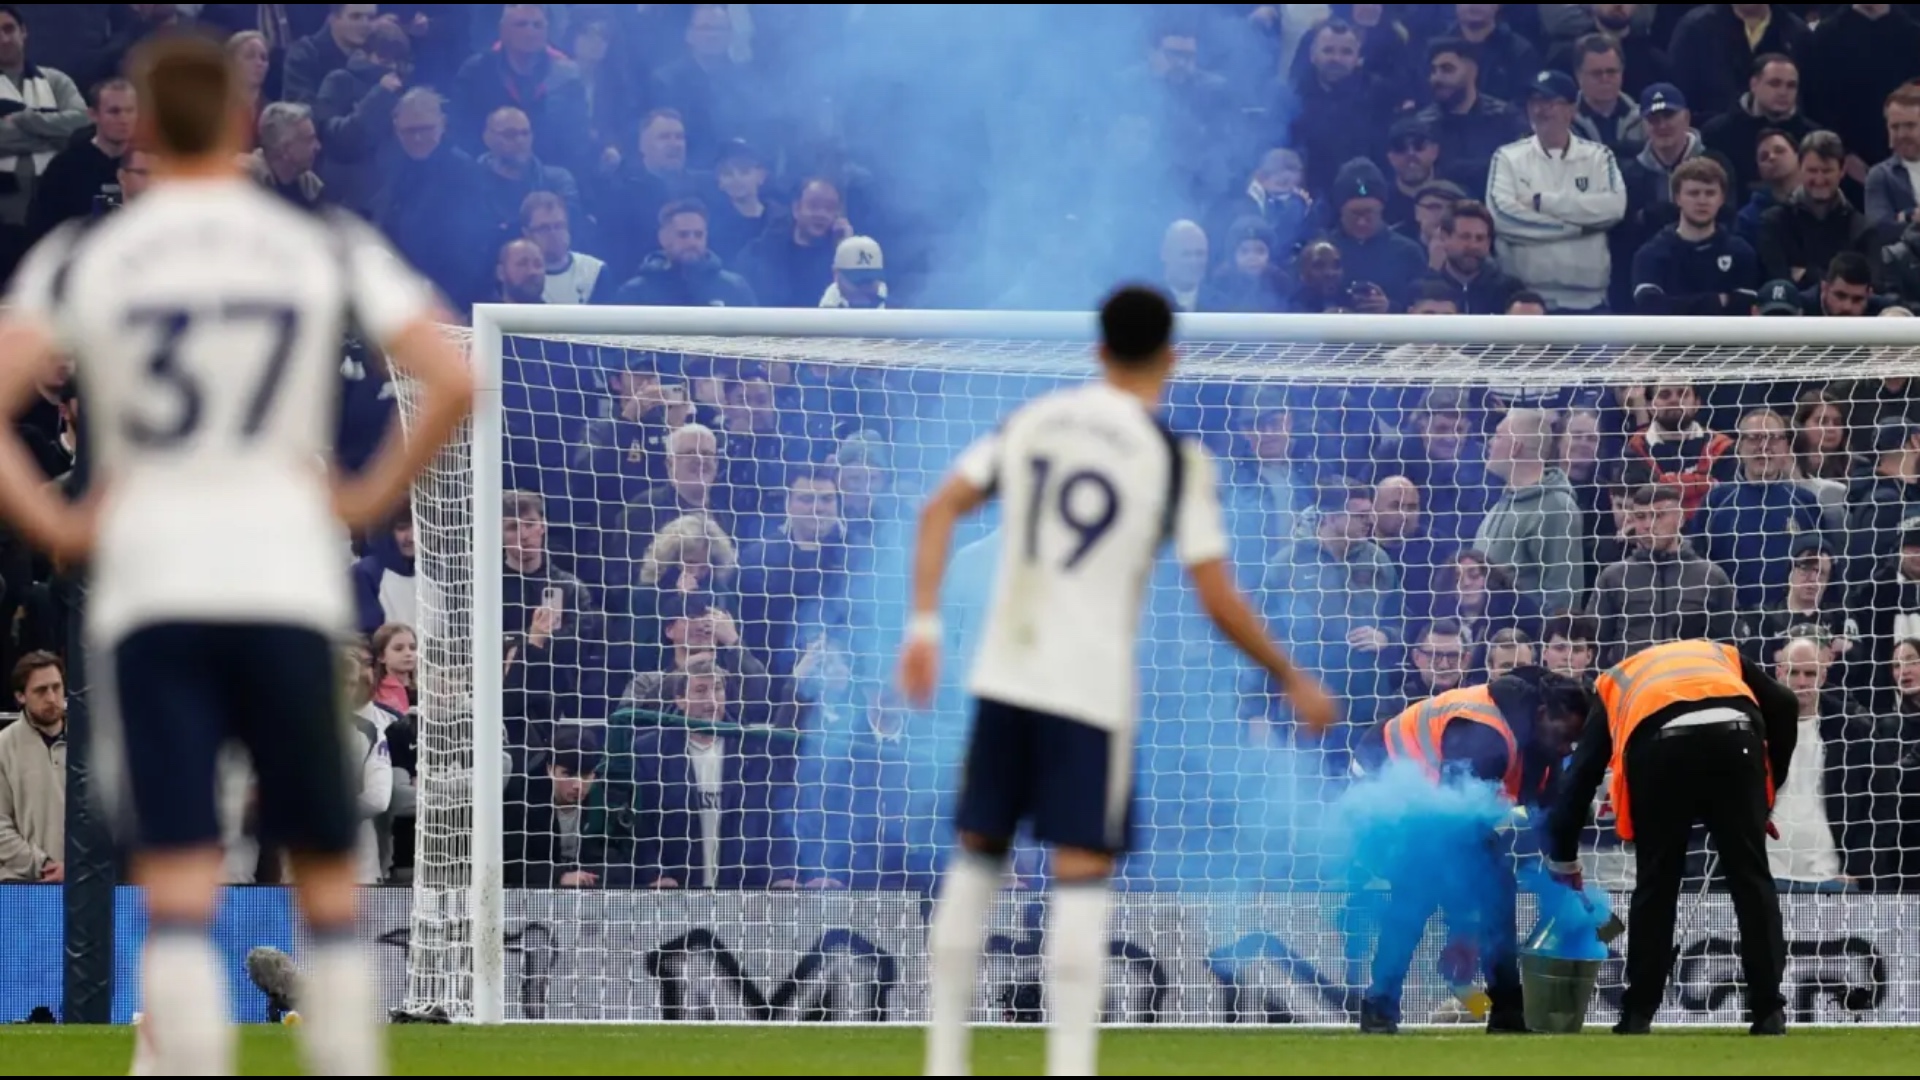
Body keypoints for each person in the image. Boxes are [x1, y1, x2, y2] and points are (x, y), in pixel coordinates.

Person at [0, 35, 473, 1076]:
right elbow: (453, 377)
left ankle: (176, 1055)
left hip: (154, 589)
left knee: (179, 866)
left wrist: (59, 524)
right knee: (324, 862)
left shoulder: (88, 256)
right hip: (281, 581)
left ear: (145, 132)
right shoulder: (317, 241)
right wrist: (366, 496)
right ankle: (343, 1053)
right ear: (245, 123)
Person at [898, 284, 1335, 1076]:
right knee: (1079, 880)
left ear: (1097, 350)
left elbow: (938, 511)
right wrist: (1289, 675)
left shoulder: (1034, 423)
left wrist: (924, 629)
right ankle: (1069, 1065)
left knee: (976, 864)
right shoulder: (1174, 458)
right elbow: (1217, 597)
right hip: (1090, 693)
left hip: (1006, 677)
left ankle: (945, 1062)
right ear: (1172, 357)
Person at [1545, 638, 1800, 1036]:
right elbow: (1785, 702)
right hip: (1736, 740)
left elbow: (1579, 779)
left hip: (1659, 748)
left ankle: (1637, 1014)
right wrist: (1767, 790)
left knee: (1657, 882)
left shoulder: (1613, 682)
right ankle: (1769, 1012)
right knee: (1751, 879)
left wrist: (1563, 858)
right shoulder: (1720, 653)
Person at [1352, 666, 1590, 1035]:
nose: (1566, 749)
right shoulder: (1486, 738)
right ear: (1543, 714)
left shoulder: (1543, 748)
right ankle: (1379, 1005)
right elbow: (1452, 831)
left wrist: (1567, 872)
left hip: (1446, 804)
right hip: (1381, 778)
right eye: (1564, 736)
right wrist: (1464, 930)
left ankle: (1508, 1014)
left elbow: (1554, 821)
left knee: (1498, 888)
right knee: (1418, 888)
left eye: (1574, 742)